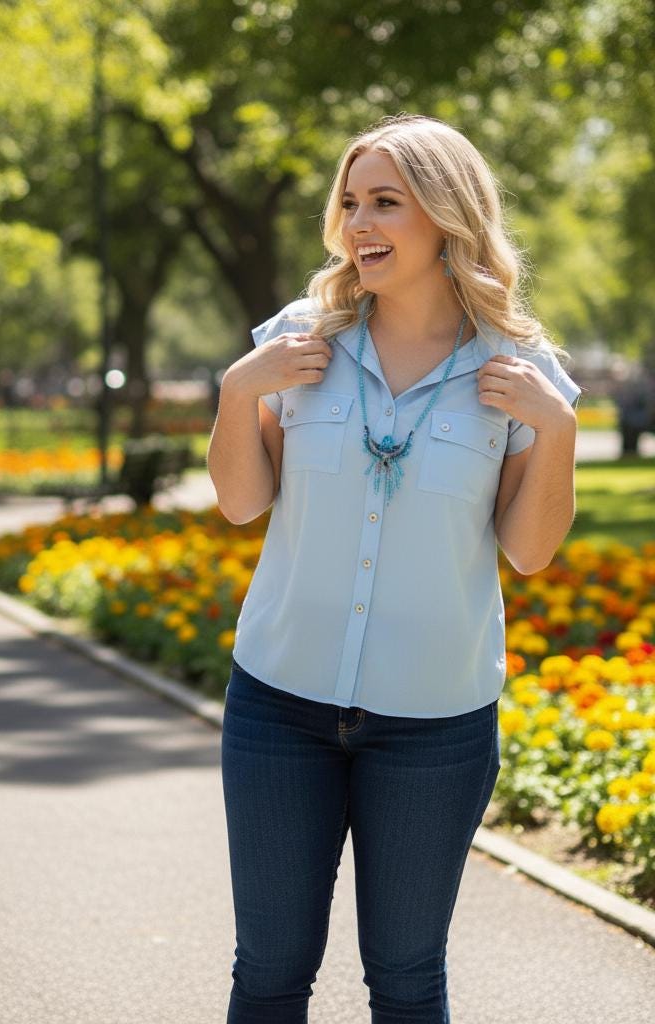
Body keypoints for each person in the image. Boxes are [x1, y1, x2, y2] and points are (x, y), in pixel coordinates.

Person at [207, 114, 579, 1023]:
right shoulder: (300, 340)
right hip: (279, 705)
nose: (358, 224)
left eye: (385, 203)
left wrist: (558, 431)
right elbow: (241, 501)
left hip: (436, 726)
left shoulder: (521, 372)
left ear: (447, 216)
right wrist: (237, 390)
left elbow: (529, 550)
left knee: (408, 981)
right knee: (268, 972)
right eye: (350, 203)